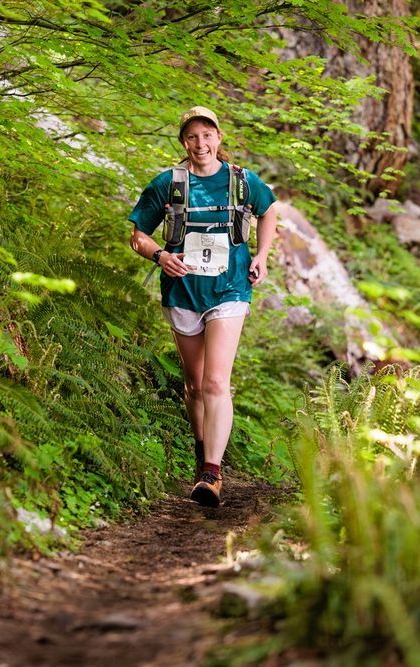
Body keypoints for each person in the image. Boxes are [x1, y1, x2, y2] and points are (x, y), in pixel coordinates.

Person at [127, 106, 277, 507]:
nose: (201, 143)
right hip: (183, 292)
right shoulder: (168, 184)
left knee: (215, 382)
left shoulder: (242, 182)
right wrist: (159, 255)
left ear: (219, 138)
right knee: (193, 385)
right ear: (184, 143)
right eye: (192, 137)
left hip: (230, 290)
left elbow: (269, 210)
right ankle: (201, 453)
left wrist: (262, 255)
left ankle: (212, 473)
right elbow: (138, 235)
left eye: (207, 135)